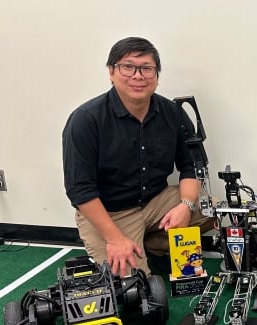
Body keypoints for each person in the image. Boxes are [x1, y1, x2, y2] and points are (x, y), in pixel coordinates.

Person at [62, 37, 213, 276]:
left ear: (156, 76)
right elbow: (80, 189)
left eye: (146, 68)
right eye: (128, 67)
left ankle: (149, 245)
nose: (138, 76)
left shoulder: (172, 113)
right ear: (111, 72)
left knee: (209, 208)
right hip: (111, 214)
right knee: (135, 284)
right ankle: (125, 245)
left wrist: (185, 206)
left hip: (155, 202)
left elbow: (190, 166)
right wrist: (114, 239)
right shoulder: (86, 119)